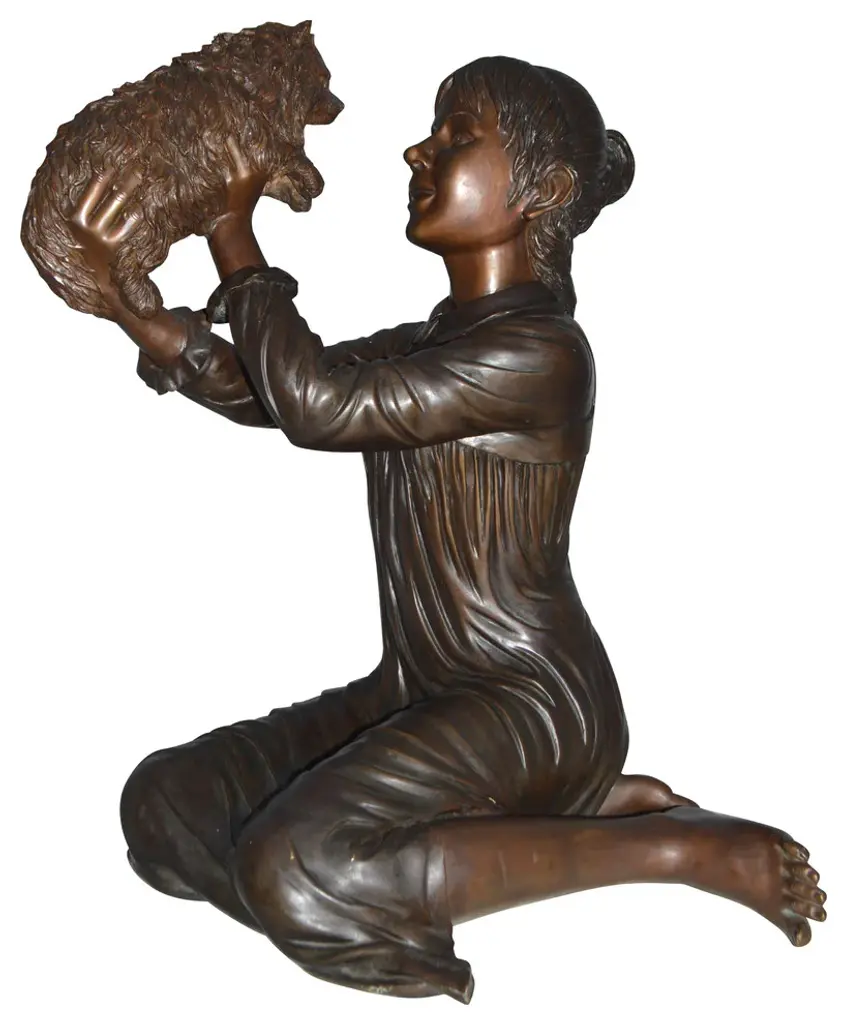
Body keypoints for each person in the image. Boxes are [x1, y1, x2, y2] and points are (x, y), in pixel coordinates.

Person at [68, 57, 825, 1002]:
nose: (417, 152)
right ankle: (391, 872)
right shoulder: (432, 343)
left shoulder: (540, 355)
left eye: (458, 135)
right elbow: (276, 393)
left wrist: (234, 233)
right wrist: (134, 310)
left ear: (544, 191)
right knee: (167, 808)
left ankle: (674, 849)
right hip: (418, 689)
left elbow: (318, 407)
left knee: (297, 866)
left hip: (532, 705)